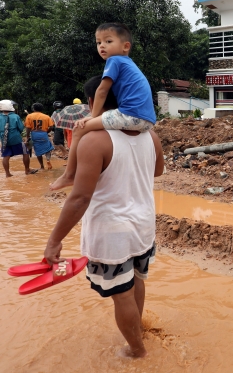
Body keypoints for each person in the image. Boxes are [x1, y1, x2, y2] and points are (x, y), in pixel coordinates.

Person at [43, 76, 164, 358]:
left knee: (121, 294)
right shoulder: (150, 134)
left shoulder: (95, 140)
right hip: (144, 225)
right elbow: (157, 171)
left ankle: (136, 351)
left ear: (91, 103)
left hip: (111, 233)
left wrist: (54, 241)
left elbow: (80, 198)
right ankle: (139, 332)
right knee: (136, 280)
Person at [50, 23, 156, 190]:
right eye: (98, 42)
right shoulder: (129, 64)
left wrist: (93, 116)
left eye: (108, 41)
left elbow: (102, 90)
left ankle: (69, 175)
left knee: (79, 129)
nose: (102, 46)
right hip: (147, 121)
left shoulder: (115, 61)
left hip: (129, 115)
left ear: (125, 46)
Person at [0, 99, 37, 177]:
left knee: (6, 156)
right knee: (25, 152)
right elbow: (20, 128)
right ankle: (27, 170)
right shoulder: (15, 116)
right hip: (15, 139)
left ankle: (7, 174)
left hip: (4, 140)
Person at [25, 103, 55, 170]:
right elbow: (51, 126)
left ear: (34, 109)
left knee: (38, 150)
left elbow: (28, 127)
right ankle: (48, 160)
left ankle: (42, 166)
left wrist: (27, 136)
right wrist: (47, 132)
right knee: (48, 148)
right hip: (43, 134)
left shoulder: (29, 116)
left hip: (34, 134)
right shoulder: (46, 116)